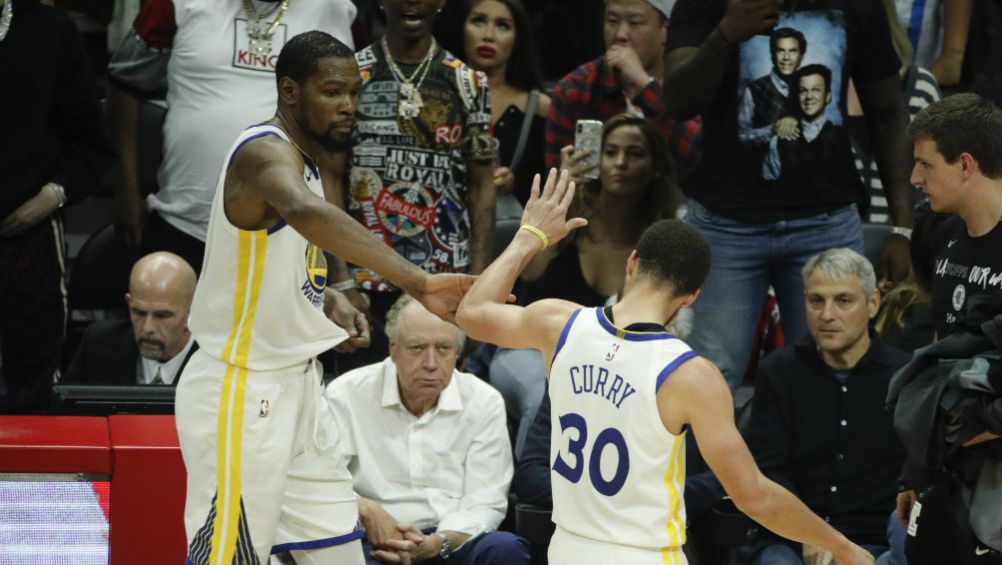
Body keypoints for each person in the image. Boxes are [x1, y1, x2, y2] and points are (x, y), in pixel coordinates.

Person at [455, 168, 878, 565]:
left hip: (567, 548)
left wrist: (528, 237)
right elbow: (755, 497)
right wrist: (841, 546)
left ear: (632, 262)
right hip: (643, 554)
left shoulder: (558, 322)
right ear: (691, 297)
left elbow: (471, 313)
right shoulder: (691, 375)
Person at [174, 31, 474, 565]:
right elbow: (304, 213)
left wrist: (325, 300)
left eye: (354, 93)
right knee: (228, 557)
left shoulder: (305, 161)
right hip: (242, 388)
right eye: (332, 92)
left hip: (298, 388)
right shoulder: (262, 152)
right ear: (289, 90)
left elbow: (278, 258)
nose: (348, 106)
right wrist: (419, 281)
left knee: (337, 552)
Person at [662, 0, 915, 391]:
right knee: (706, 378)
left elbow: (888, 112)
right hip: (724, 224)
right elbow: (678, 100)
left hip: (825, 220)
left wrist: (904, 228)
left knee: (835, 373)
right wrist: (726, 34)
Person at [106, 0, 357, 272]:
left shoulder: (336, 7)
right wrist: (127, 190)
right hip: (185, 218)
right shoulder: (175, 3)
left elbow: (356, 96)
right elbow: (125, 82)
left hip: (290, 231)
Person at [490, 114, 676, 457]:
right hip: (526, 348)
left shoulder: (658, 240)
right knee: (545, 392)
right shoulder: (566, 216)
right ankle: (535, 500)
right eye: (609, 152)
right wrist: (563, 197)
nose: (620, 162)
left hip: (608, 359)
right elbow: (528, 275)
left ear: (654, 168)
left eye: (634, 154)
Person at [333, 0, 496, 365]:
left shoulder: (468, 81)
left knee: (439, 406)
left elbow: (483, 183)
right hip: (364, 277)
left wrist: (480, 284)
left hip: (444, 281)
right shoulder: (350, 76)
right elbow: (329, 173)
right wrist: (341, 279)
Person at [325, 295, 530, 565]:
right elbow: (321, 481)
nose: (431, 363)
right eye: (417, 348)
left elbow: (485, 500)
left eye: (444, 348)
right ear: (393, 349)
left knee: (505, 549)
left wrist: (438, 543)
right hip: (372, 539)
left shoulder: (483, 401)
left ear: (458, 354)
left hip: (450, 539)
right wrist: (364, 508)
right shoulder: (347, 394)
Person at [745, 248, 909, 565]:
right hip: (790, 538)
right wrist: (811, 533)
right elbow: (769, 471)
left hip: (872, 543)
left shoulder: (904, 377)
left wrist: (841, 548)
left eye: (843, 301)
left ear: (873, 303)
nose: (827, 314)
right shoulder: (779, 371)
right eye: (816, 301)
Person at [896, 92, 1002, 565]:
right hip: (946, 466)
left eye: (925, 165)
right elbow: (938, 356)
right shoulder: (945, 238)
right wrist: (914, 471)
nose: (915, 179)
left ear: (965, 164)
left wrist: (956, 434)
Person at [0, 0, 115, 413]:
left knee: (32, 393)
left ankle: (29, 479)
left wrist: (51, 197)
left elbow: (89, 145)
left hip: (26, 235)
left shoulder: (50, 29)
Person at [545, 0, 702, 183]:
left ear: (666, 30)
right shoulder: (575, 89)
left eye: (635, 23)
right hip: (598, 208)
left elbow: (701, 156)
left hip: (679, 206)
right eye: (612, 21)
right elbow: (554, 183)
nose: (620, 35)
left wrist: (645, 87)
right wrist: (564, 182)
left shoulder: (691, 82)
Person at [455, 0, 550, 209]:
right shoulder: (439, 97)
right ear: (461, 28)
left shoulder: (540, 108)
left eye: (502, 26)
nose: (489, 35)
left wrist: (515, 184)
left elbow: (552, 187)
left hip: (513, 230)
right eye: (478, 21)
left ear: (517, 38)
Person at [65, 252, 198, 385]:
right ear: (129, 304)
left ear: (190, 313)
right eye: (139, 313)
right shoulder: (97, 346)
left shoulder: (215, 361)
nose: (147, 328)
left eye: (161, 316)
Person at [763, 64, 857, 187]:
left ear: (827, 97)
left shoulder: (842, 137)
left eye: (816, 90)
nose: (809, 97)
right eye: (803, 91)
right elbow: (769, 187)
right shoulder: (779, 140)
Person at [737, 27, 807, 148]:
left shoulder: (810, 87)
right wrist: (772, 130)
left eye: (793, 51)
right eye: (780, 51)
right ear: (772, 55)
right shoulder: (754, 90)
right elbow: (740, 136)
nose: (786, 57)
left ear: (801, 56)